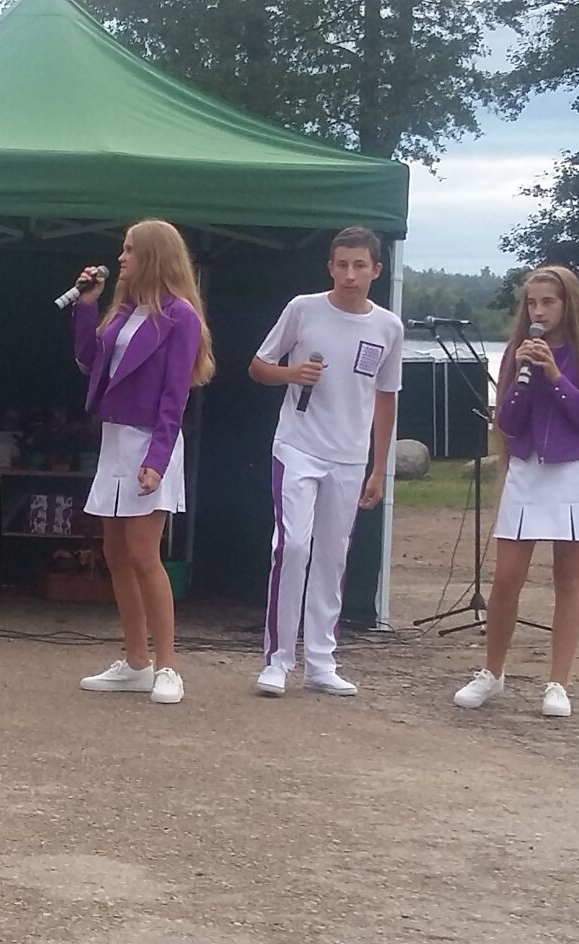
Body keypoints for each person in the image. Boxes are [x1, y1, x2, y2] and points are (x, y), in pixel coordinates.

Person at [452, 267, 579, 718]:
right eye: (532, 303)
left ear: (568, 304)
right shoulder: (516, 352)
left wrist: (555, 376)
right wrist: (524, 376)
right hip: (527, 468)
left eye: (548, 302)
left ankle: (558, 683)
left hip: (572, 470)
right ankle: (492, 673)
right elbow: (506, 424)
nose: (538, 311)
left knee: (569, 578)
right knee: (506, 577)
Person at [249, 226, 402, 698]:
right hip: (298, 446)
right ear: (330, 267)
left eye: (360, 266)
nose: (350, 275)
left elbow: (386, 397)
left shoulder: (388, 327)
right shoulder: (303, 308)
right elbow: (258, 366)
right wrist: (292, 373)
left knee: (332, 556)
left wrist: (379, 467)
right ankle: (278, 659)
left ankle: (320, 660)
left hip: (350, 456)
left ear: (377, 270)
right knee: (293, 546)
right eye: (342, 265)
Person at [71, 221, 214, 705]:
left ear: (154, 256)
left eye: (131, 250)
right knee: (115, 551)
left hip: (152, 440)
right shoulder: (124, 311)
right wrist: (86, 306)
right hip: (114, 439)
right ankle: (136, 662)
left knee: (142, 552)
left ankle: (168, 665)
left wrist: (157, 459)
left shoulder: (181, 316)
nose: (122, 257)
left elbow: (175, 396)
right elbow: (90, 361)